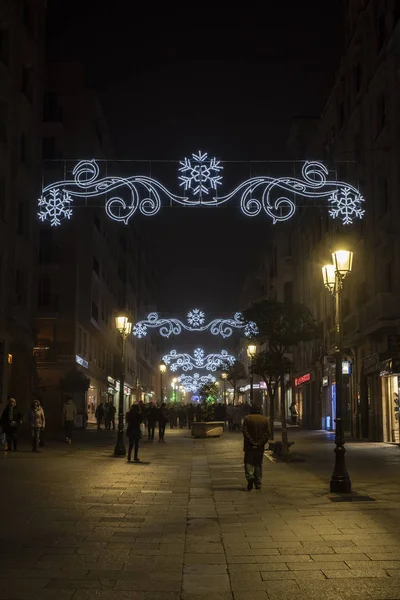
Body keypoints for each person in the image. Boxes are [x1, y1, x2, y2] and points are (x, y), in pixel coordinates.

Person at [242, 405, 270, 491]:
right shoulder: (265, 419)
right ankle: (257, 482)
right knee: (258, 464)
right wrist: (259, 443)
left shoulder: (247, 419)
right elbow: (267, 434)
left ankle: (250, 477)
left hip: (249, 446)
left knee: (248, 462)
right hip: (259, 447)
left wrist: (251, 441)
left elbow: (245, 432)